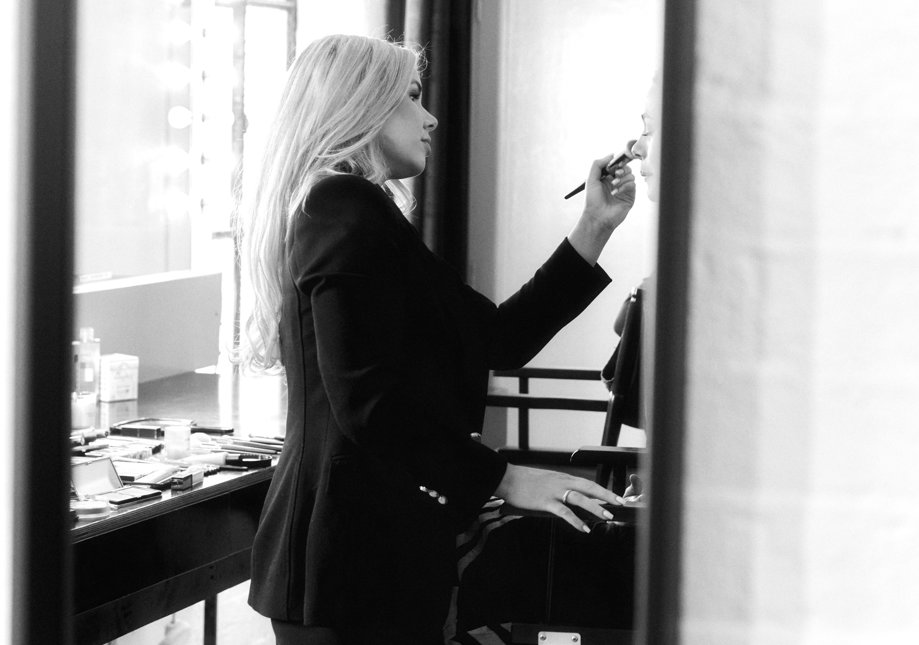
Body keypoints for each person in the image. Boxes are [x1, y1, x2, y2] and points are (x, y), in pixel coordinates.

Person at [235, 34, 637, 645]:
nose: (431, 119)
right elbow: (368, 404)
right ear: (361, 105)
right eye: (412, 97)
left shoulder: (355, 210)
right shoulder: (342, 207)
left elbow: (498, 338)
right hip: (347, 564)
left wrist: (595, 224)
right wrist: (503, 477)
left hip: (370, 559)